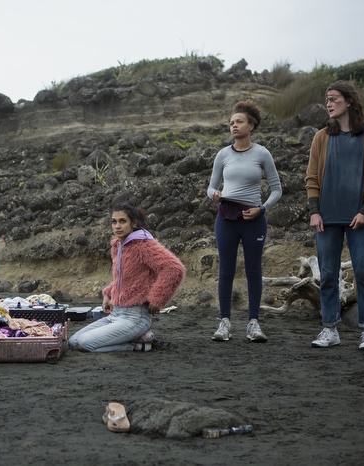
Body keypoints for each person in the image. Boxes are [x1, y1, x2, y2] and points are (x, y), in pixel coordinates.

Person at [306, 81, 364, 351]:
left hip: (360, 219)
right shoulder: (322, 137)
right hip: (326, 219)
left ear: (349, 101)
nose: (328, 104)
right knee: (328, 275)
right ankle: (330, 328)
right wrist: (315, 211)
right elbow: (312, 178)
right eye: (327, 99)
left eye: (334, 99)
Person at [207, 99, 282, 342]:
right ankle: (224, 323)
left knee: (253, 271)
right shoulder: (222, 154)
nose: (234, 126)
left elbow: (277, 189)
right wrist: (215, 195)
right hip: (226, 217)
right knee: (226, 271)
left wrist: (261, 209)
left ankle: (253, 324)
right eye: (231, 123)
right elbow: (210, 187)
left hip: (253, 218)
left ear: (252, 125)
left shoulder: (262, 153)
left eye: (239, 121)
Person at [68, 199, 185, 352]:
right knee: (73, 341)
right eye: (114, 221)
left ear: (134, 223)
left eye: (122, 221)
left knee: (85, 343)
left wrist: (158, 299)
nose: (117, 226)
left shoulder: (144, 245)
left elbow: (174, 268)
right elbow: (122, 277)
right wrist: (109, 294)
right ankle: (137, 338)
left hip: (135, 317)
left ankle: (138, 345)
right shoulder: (118, 244)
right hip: (116, 313)